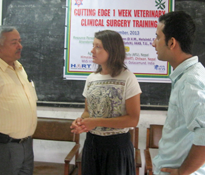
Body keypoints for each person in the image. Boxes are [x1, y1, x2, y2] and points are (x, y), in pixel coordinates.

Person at [70, 30, 141, 175]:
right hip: (92, 145)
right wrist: (81, 122)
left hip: (117, 146)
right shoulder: (91, 78)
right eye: (93, 46)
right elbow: (88, 112)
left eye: (98, 47)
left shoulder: (128, 78)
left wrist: (96, 122)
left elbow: (133, 119)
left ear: (112, 50)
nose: (92, 51)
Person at [0, 25, 38, 175]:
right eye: (14, 42)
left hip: (26, 145)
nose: (20, 46)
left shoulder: (19, 68)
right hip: (0, 148)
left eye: (20, 41)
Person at [152, 11, 205, 175]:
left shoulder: (190, 81)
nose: (154, 43)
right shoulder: (186, 77)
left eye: (158, 37)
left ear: (172, 42)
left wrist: (182, 172)